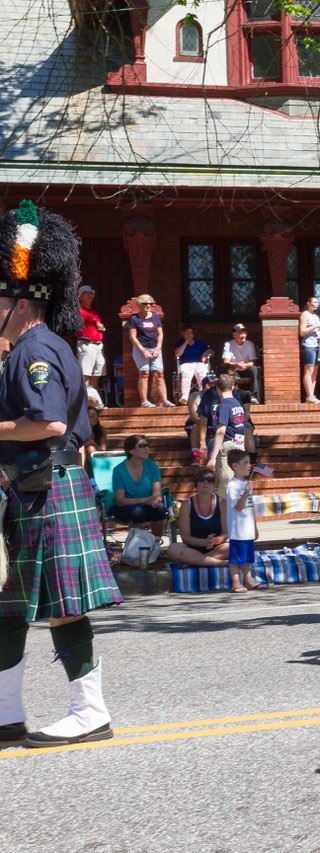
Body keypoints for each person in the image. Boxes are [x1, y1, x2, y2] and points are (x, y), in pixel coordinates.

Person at [0, 201, 122, 748]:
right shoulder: (34, 346)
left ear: (21, 302)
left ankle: (89, 711)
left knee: (61, 610)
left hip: (48, 487)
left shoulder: (36, 350)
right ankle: (6, 712)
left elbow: (47, 422)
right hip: (34, 491)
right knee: (7, 608)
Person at [166, 470, 230, 567]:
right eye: (201, 479)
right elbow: (186, 537)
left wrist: (216, 540)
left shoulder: (222, 503)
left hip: (216, 547)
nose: (206, 482)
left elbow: (226, 533)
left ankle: (194, 563)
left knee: (233, 546)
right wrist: (204, 542)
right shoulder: (187, 505)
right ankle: (219, 563)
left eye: (210, 480)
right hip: (192, 548)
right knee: (173, 549)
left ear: (214, 484)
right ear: (196, 484)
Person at [109, 434, 166, 536]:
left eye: (147, 445)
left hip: (148, 505)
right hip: (126, 506)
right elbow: (120, 501)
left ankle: (156, 542)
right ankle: (138, 546)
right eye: (142, 446)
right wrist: (144, 500)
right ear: (131, 451)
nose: (146, 449)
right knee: (138, 512)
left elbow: (156, 493)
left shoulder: (152, 465)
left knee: (160, 509)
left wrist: (156, 500)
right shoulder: (119, 470)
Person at [127, 293, 175, 407]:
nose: (148, 305)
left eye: (150, 303)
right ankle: (144, 401)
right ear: (139, 305)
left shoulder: (155, 317)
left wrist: (158, 348)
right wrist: (143, 350)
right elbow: (132, 336)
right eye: (145, 303)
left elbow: (160, 334)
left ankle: (164, 400)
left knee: (159, 373)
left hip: (155, 348)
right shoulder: (135, 318)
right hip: (141, 348)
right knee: (144, 373)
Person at [223, 448, 260, 593]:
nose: (249, 465)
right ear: (235, 466)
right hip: (238, 530)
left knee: (246, 558)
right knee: (236, 558)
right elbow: (238, 507)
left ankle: (248, 579)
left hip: (248, 529)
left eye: (249, 462)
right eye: (245, 463)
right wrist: (245, 492)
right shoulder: (233, 486)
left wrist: (255, 527)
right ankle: (236, 581)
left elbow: (251, 509)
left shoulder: (244, 484)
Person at [207, 373, 249, 498]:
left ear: (217, 389)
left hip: (228, 447)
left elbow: (221, 431)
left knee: (225, 485)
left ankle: (224, 515)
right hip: (239, 445)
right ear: (232, 387)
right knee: (237, 483)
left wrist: (213, 457)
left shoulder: (224, 406)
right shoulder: (237, 404)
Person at [75, 284, 107, 398]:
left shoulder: (94, 312)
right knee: (85, 373)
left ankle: (93, 398)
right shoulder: (79, 311)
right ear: (81, 296)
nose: (90, 295)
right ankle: (83, 400)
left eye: (91, 294)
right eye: (87, 293)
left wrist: (101, 327)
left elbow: (99, 325)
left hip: (98, 345)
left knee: (97, 371)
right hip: (86, 344)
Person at [222, 323, 261, 404]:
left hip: (246, 369)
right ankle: (231, 397)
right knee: (227, 370)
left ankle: (254, 397)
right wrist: (237, 364)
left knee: (254, 369)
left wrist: (245, 365)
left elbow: (253, 361)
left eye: (244, 333)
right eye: (240, 333)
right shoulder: (228, 344)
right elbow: (226, 361)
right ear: (234, 334)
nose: (243, 335)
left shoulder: (249, 344)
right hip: (235, 370)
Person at [174, 324, 211, 404]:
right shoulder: (180, 343)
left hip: (199, 363)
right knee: (187, 374)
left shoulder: (200, 343)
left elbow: (210, 351)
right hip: (186, 364)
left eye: (191, 333)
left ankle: (203, 394)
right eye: (186, 333)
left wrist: (206, 354)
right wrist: (185, 343)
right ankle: (184, 397)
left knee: (201, 373)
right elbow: (178, 354)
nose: (189, 335)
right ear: (183, 334)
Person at [299, 296, 320, 403]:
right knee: (308, 370)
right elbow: (302, 332)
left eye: (318, 302)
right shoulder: (305, 314)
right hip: (309, 345)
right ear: (308, 303)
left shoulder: (317, 316)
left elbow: (317, 330)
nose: (317, 304)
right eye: (315, 302)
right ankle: (308, 395)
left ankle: (312, 395)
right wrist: (315, 326)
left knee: (315, 371)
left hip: (318, 344)